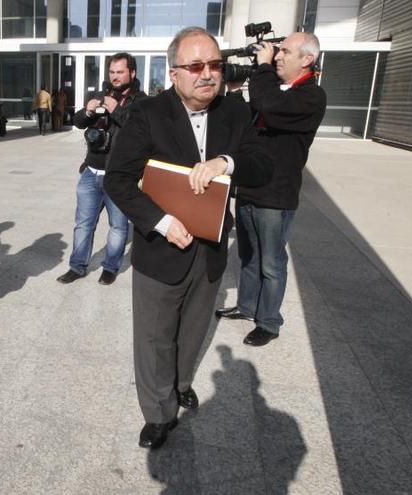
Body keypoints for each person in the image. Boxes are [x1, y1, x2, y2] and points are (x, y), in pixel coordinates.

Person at [104, 27, 273, 449]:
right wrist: (160, 222)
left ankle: (180, 384)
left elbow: (262, 164)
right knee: (154, 337)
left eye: (214, 65)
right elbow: (119, 180)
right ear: (174, 72)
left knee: (194, 330)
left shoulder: (235, 112)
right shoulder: (147, 113)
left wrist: (226, 162)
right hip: (161, 249)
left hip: (212, 249)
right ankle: (158, 414)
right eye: (196, 66)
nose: (207, 74)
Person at [215, 32, 326, 347]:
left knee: (271, 263)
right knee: (249, 258)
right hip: (250, 188)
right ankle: (248, 307)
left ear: (307, 59)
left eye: (284, 52)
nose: (277, 56)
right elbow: (246, 121)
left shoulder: (311, 97)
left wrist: (261, 67)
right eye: (276, 53)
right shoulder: (275, 91)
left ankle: (269, 322)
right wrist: (236, 91)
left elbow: (269, 106)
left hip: (276, 196)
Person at [57, 53, 146, 286]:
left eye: (120, 72)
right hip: (91, 172)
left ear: (132, 73)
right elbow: (77, 122)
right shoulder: (100, 94)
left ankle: (110, 267)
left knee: (118, 226)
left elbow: (140, 132)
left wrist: (116, 110)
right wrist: (87, 111)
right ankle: (77, 267)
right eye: (112, 72)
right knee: (83, 224)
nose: (115, 77)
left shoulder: (141, 101)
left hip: (120, 176)